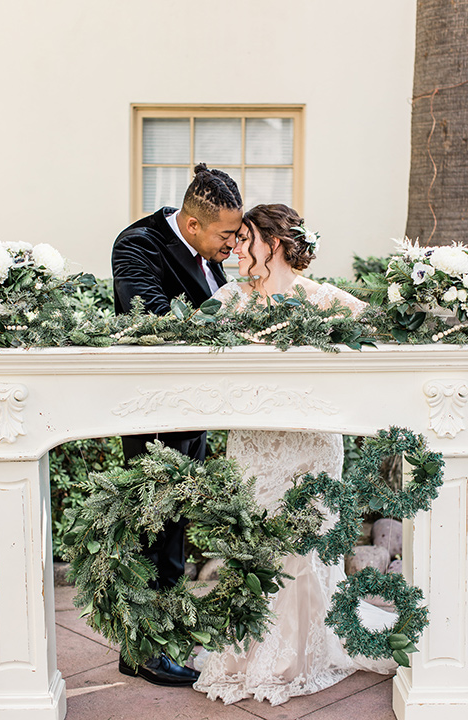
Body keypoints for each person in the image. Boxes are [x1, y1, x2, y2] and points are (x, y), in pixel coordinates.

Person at [193, 204, 395, 705]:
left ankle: (299, 655)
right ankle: (248, 651)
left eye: (244, 239)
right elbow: (188, 351)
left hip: (312, 448)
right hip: (254, 446)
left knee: (304, 551)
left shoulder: (322, 299)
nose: (235, 248)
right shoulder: (228, 300)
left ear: (274, 243)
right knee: (254, 547)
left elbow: (381, 337)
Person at [111, 164, 243, 686]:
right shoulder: (138, 244)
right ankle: (143, 652)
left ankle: (150, 640)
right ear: (193, 226)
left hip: (191, 410)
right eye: (228, 234)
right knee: (153, 530)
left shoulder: (207, 252)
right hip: (152, 414)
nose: (235, 242)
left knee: (174, 530)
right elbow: (153, 321)